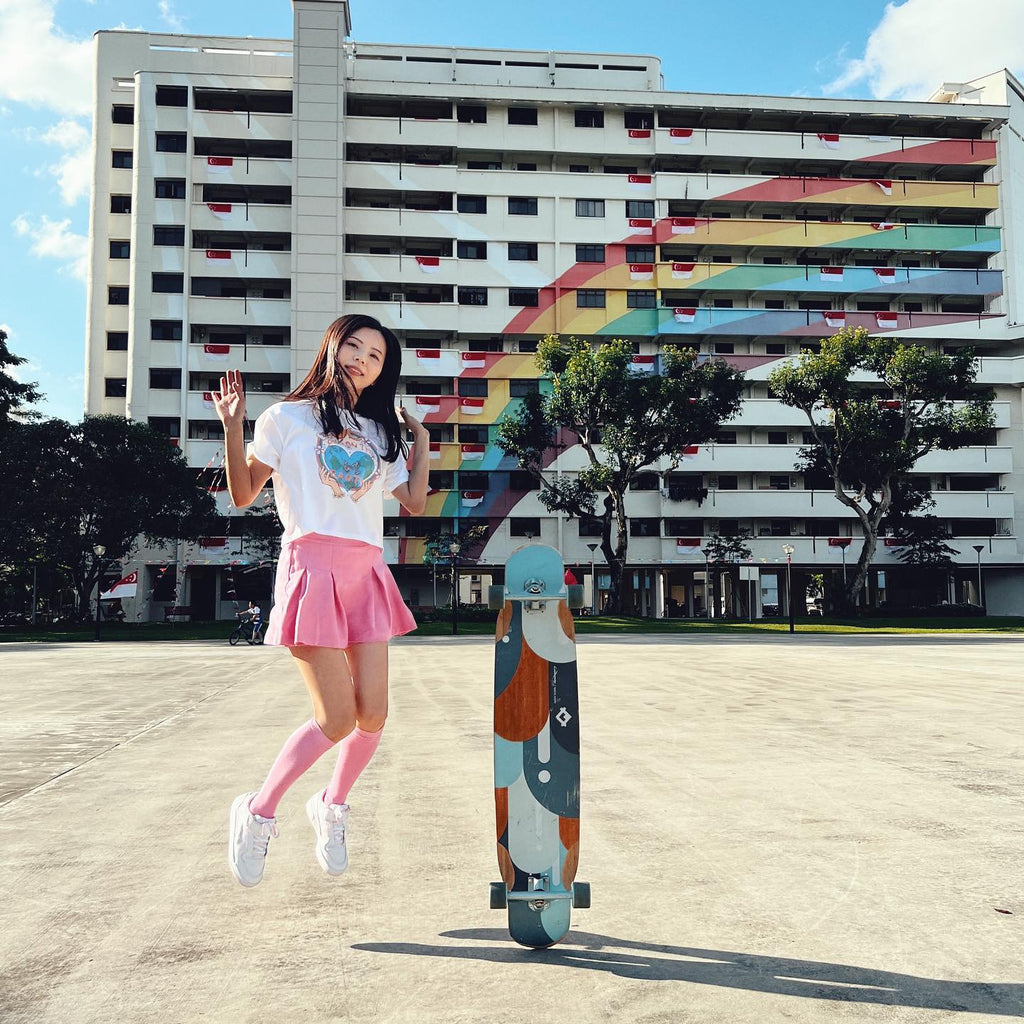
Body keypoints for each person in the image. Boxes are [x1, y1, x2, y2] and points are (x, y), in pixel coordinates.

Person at [213, 314, 429, 887]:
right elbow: (241, 493)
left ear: (384, 371)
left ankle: (331, 805)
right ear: (332, 348)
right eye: (353, 345)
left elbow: (414, 501)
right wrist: (233, 428)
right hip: (311, 565)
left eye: (376, 355)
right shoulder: (286, 418)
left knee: (374, 713)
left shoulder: (381, 434)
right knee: (335, 717)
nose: (361, 359)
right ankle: (257, 811)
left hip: (366, 569)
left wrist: (423, 442)